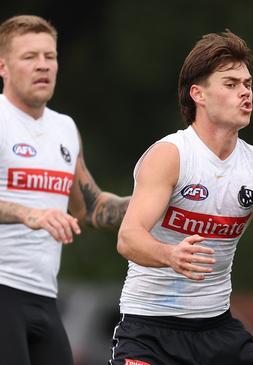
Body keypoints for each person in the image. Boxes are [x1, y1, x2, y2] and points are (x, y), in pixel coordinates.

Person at [110, 30, 253, 365]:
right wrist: (169, 254)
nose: (244, 92)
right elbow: (128, 238)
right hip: (150, 328)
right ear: (198, 94)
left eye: (248, 84)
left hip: (217, 327)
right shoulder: (173, 154)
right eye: (230, 84)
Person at [0, 15, 130, 365]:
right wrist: (29, 213)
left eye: (50, 56)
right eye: (29, 57)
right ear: (3, 66)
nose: (43, 66)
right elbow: (32, 212)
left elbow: (90, 207)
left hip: (45, 297)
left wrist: (157, 199)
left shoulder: (65, 128)